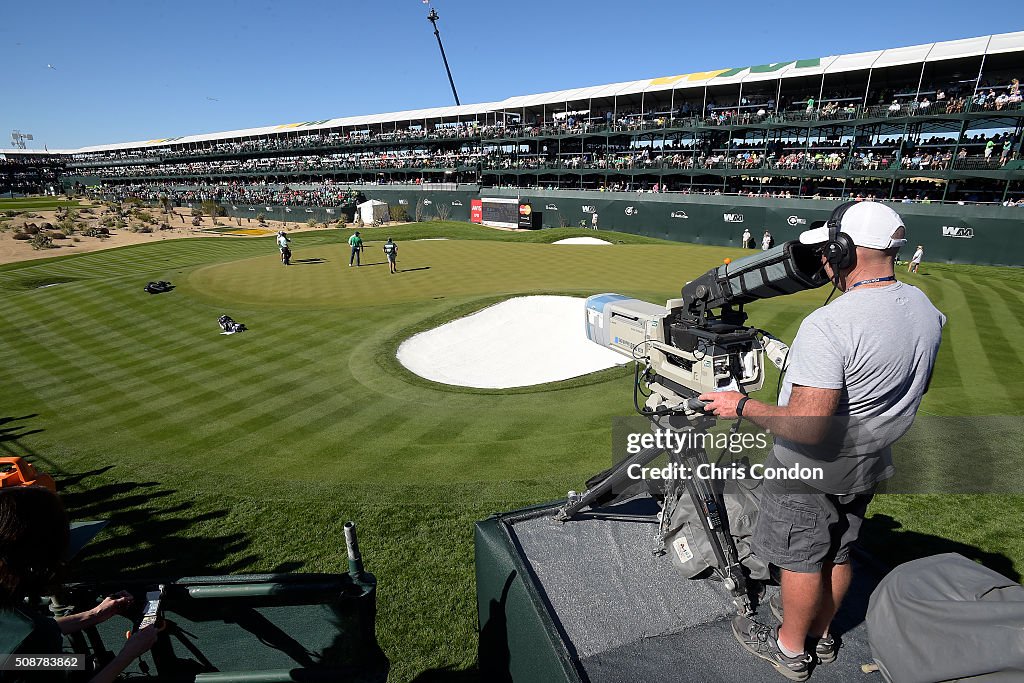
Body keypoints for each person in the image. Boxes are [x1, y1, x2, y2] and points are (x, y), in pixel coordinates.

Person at [700, 202, 945, 681]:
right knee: (838, 550)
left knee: (801, 559)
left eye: (829, 253)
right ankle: (824, 635)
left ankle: (790, 648)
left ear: (843, 249)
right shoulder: (924, 308)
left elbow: (809, 425)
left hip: (808, 466)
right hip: (870, 460)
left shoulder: (830, 324)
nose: (825, 264)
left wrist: (741, 407)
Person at [0, 487, 158, 682]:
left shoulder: (24, 623)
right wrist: (128, 655)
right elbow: (28, 640)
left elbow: (15, 652)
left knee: (79, 663)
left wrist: (93, 614)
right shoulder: (36, 634)